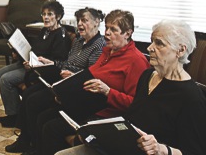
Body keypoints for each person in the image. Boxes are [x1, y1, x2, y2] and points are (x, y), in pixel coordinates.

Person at [55, 20, 206, 155]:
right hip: (124, 145)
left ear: (180, 51)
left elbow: (195, 151)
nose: (150, 47)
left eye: (159, 43)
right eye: (152, 41)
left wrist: (161, 149)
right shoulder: (147, 75)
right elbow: (133, 116)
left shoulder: (191, 96)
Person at [37, 9, 151, 155]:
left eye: (113, 30)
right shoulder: (107, 51)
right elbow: (89, 77)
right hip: (87, 105)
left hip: (105, 115)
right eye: (107, 28)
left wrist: (108, 91)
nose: (107, 33)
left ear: (127, 34)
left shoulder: (136, 61)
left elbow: (135, 104)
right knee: (44, 115)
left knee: (51, 127)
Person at [5, 7, 106, 153]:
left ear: (97, 22)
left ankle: (34, 145)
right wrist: (50, 63)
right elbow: (66, 63)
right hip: (62, 80)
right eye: (79, 21)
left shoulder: (99, 45)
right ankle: (26, 140)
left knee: (34, 100)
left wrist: (72, 74)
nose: (80, 25)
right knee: (28, 94)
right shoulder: (79, 40)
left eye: (85, 21)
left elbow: (90, 74)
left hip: (76, 88)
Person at [0, 0, 70, 127]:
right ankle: (17, 111)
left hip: (39, 70)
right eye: (44, 14)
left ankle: (14, 116)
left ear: (58, 17)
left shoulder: (61, 36)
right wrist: (18, 53)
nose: (45, 17)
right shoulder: (45, 31)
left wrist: (34, 64)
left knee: (5, 79)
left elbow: (58, 62)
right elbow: (35, 49)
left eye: (50, 14)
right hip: (29, 62)